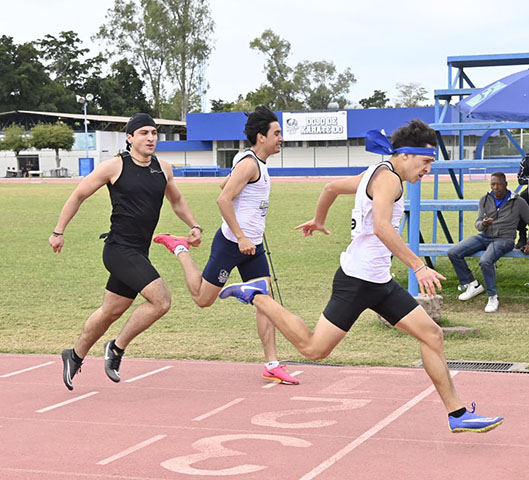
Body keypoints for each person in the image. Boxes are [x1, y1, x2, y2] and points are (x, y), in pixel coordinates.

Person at [219, 120, 504, 433]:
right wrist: (418, 266)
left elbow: (330, 188)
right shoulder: (389, 181)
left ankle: (457, 414)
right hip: (355, 281)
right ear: (406, 156)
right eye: (425, 163)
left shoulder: (377, 171)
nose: (427, 170)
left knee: (432, 334)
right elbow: (382, 227)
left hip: (379, 281)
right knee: (314, 350)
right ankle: (256, 295)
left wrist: (319, 219)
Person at [50, 113, 203, 390]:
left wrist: (193, 224)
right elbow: (78, 195)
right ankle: (116, 348)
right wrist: (58, 232)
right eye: (143, 133)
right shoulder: (114, 167)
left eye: (154, 133)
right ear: (130, 138)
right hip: (119, 249)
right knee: (162, 301)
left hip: (139, 252)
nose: (151, 138)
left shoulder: (163, 168)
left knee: (111, 311)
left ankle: (74, 355)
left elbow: (177, 200)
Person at [153, 106, 297, 385]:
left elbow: (224, 186)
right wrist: (241, 236)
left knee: (265, 302)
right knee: (202, 299)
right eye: (277, 133)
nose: (281, 138)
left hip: (252, 248)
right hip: (232, 244)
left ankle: (271, 363)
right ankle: (179, 248)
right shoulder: (250, 163)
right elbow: (223, 200)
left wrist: (248, 228)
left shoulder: (256, 163)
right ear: (261, 137)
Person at [447, 172, 529, 312]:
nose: (496, 187)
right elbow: (477, 224)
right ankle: (472, 284)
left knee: (485, 261)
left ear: (506, 184)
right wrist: (484, 224)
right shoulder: (485, 199)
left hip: (504, 239)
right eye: (493, 184)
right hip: (485, 236)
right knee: (453, 252)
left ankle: (492, 296)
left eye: (499, 184)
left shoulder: (517, 201)